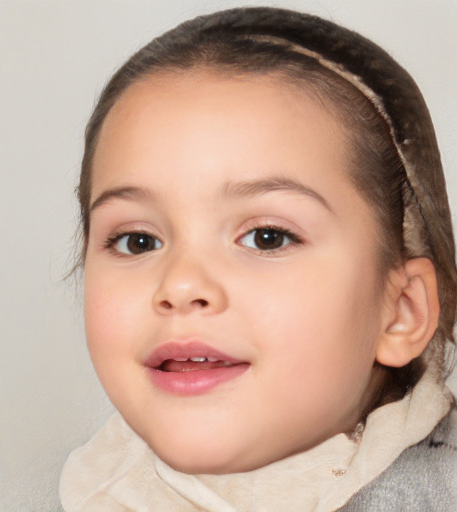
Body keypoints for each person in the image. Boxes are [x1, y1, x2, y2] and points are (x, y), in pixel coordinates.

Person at [60, 7, 457, 511]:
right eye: (138, 241)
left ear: (401, 311)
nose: (181, 285)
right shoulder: (85, 489)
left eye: (267, 237)